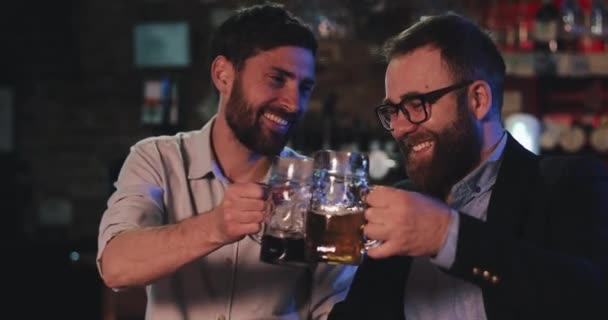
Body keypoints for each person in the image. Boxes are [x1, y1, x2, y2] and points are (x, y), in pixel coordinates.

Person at [329, 12, 608, 320]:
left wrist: (445, 235)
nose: (399, 128)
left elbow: (590, 298)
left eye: (415, 105)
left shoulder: (565, 183)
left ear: (478, 100)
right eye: (393, 110)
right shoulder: (403, 202)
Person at [96, 3, 356, 319]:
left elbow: (333, 308)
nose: (293, 103)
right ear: (223, 75)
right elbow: (115, 266)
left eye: (304, 88)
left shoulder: (317, 186)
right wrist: (217, 226)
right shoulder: (158, 158)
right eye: (276, 79)